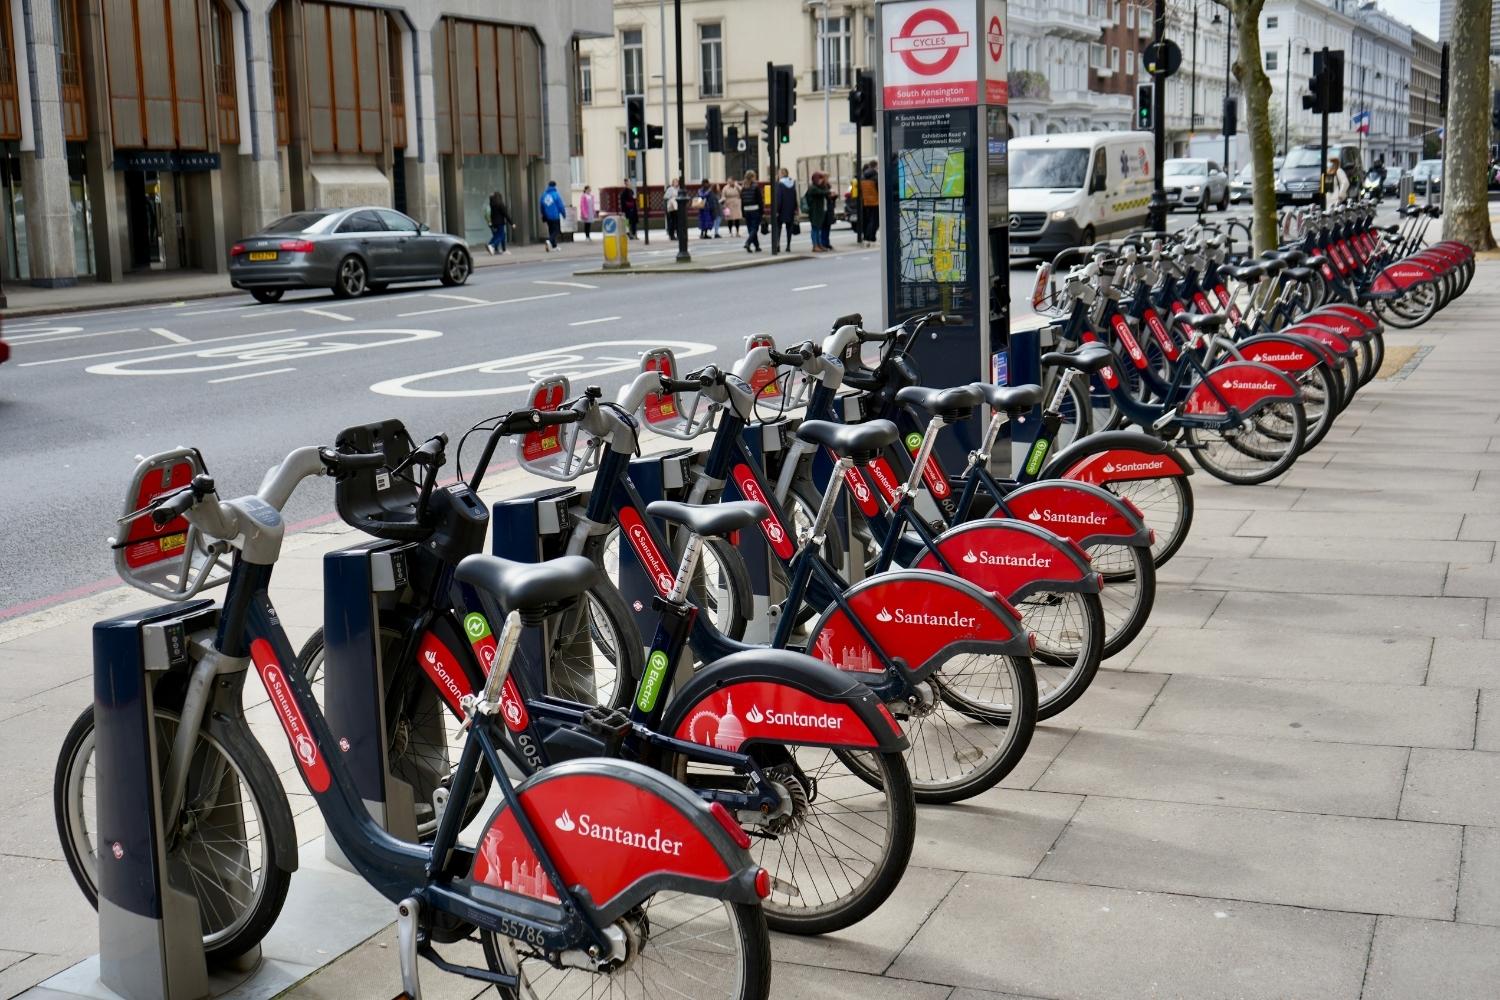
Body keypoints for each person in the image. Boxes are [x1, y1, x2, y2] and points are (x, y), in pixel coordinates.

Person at [805, 171, 833, 252]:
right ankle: (815, 245)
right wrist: (829, 191)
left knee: (819, 228)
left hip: (820, 211)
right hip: (814, 211)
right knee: (815, 229)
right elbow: (822, 192)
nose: (821, 180)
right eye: (820, 179)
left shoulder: (820, 187)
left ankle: (819, 244)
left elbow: (824, 190)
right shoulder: (812, 188)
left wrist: (825, 184)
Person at [773, 167, 798, 251]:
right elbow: (795, 197)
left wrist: (776, 210)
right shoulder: (792, 183)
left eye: (779, 173)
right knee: (789, 228)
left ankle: (777, 245)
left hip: (781, 209)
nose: (778, 175)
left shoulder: (779, 184)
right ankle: (788, 246)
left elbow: (778, 199)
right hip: (790, 209)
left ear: (782, 174)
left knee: (778, 228)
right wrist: (795, 208)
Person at [538, 179, 566, 251]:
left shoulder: (544, 195)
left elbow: (541, 206)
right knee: (556, 230)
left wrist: (543, 214)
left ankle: (554, 246)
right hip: (555, 215)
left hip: (547, 216)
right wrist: (563, 214)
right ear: (554, 186)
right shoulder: (556, 194)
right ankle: (549, 241)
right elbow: (560, 206)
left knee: (551, 230)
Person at [741, 171, 763, 252]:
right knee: (754, 228)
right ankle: (748, 242)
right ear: (752, 177)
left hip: (746, 210)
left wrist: (742, 212)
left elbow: (742, 201)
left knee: (750, 229)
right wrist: (762, 211)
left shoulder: (743, 187)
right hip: (755, 209)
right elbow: (760, 200)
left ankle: (757, 246)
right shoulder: (755, 187)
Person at [484, 191, 511, 255]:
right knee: (500, 235)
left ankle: (494, 248)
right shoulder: (498, 205)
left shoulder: (491, 205)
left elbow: (487, 215)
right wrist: (511, 223)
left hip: (493, 223)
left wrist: (490, 223)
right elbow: (505, 214)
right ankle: (492, 246)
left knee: (498, 235)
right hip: (498, 223)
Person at [859, 160, 880, 243]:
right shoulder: (875, 176)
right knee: (874, 220)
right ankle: (871, 236)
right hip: (875, 201)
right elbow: (879, 188)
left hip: (866, 201)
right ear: (875, 166)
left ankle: (866, 236)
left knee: (867, 219)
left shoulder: (863, 176)